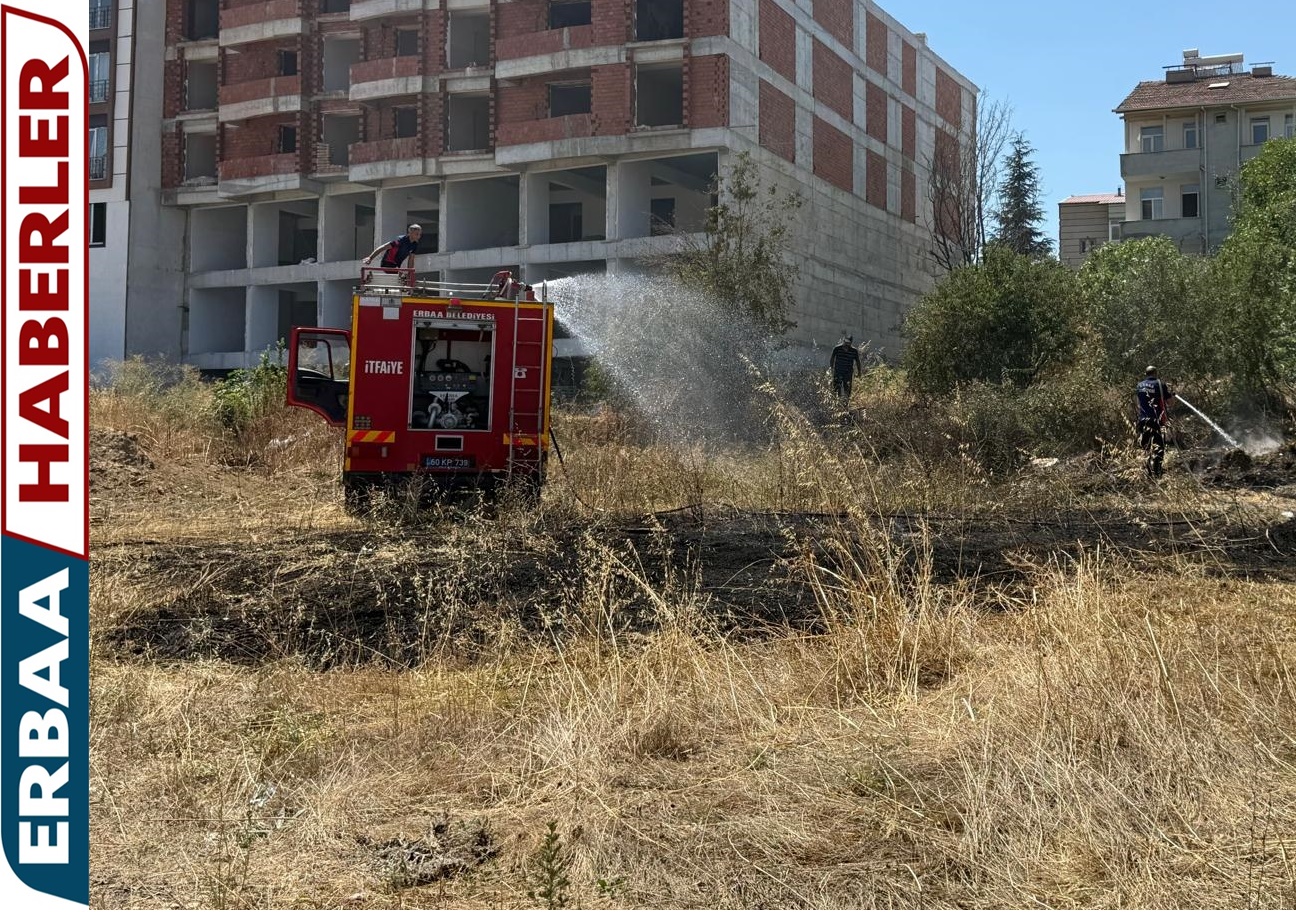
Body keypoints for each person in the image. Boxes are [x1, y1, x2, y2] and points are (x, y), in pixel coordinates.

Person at [1136, 365, 1176, 477]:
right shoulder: (1159, 384)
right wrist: (1171, 395)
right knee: (1159, 446)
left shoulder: (1139, 385)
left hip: (1143, 420)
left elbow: (1138, 403)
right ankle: (1157, 472)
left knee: (1146, 447)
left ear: (1146, 374)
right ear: (1155, 373)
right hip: (1156, 420)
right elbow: (1170, 403)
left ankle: (1147, 472)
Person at [829, 334, 862, 400]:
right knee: (836, 388)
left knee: (847, 388)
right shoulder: (837, 348)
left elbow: (858, 362)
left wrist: (859, 372)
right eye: (845, 342)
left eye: (848, 343)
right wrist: (832, 368)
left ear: (851, 343)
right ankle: (837, 402)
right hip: (838, 371)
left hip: (848, 373)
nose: (846, 345)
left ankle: (846, 403)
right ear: (843, 341)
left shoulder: (854, 351)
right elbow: (832, 359)